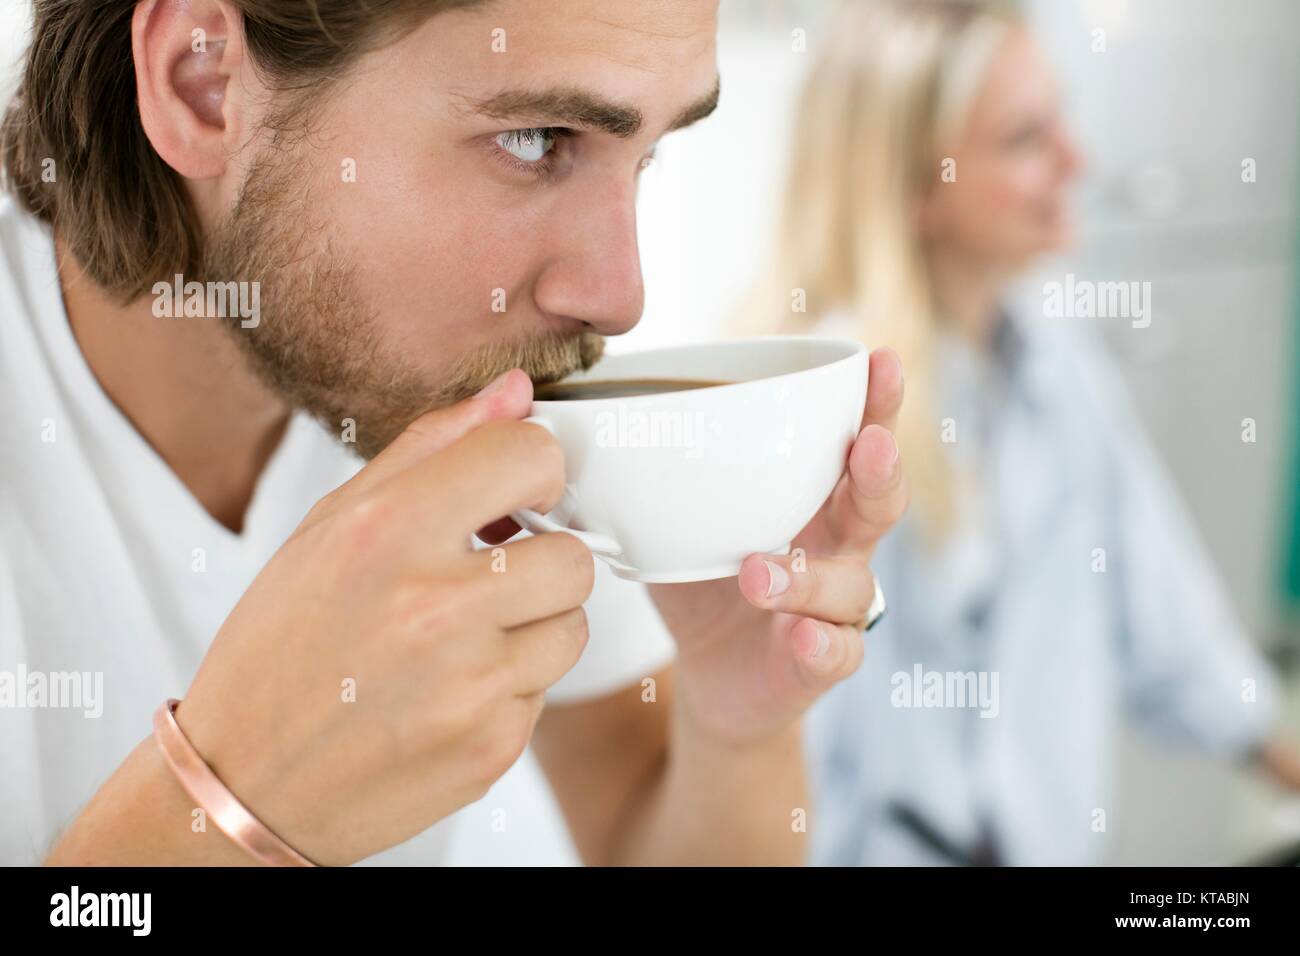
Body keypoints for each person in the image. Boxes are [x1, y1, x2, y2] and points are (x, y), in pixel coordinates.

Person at [0, 0, 908, 866]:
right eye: (534, 141)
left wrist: (732, 728)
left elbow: (643, 831)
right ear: (201, 82)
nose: (620, 296)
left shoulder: (467, 392)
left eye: (647, 155)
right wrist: (231, 804)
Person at [741, 0, 1300, 865]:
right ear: (921, 186)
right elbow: (777, 756)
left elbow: (1173, 625)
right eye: (1025, 138)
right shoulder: (822, 417)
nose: (1078, 160)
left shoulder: (1055, 362)